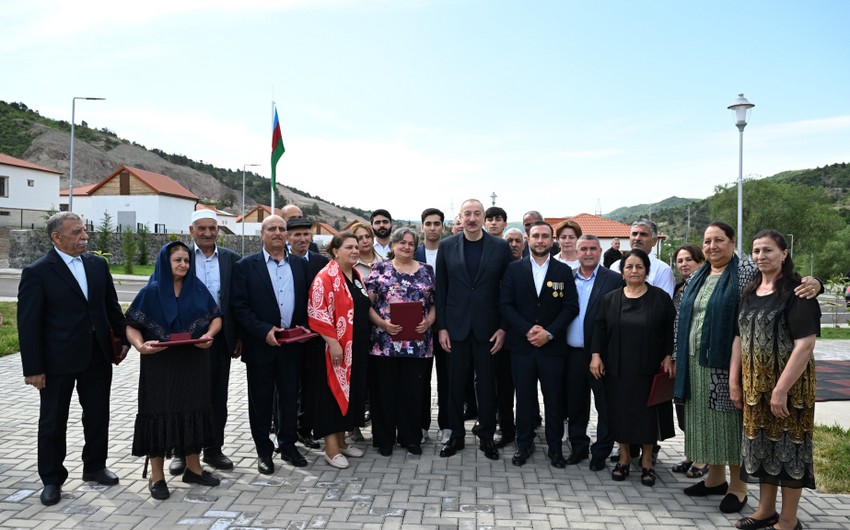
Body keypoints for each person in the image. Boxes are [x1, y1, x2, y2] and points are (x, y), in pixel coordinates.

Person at [673, 222, 823, 514]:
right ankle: (715, 479)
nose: (712, 246)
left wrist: (817, 282)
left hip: (727, 363)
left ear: (732, 243)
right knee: (705, 424)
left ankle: (738, 487)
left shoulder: (746, 272)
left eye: (719, 240)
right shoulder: (698, 275)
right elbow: (682, 317)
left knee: (729, 425)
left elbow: (784, 280)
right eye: (707, 241)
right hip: (697, 363)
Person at [18, 212, 128, 506]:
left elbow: (111, 308)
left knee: (97, 414)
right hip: (56, 361)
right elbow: (28, 324)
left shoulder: (97, 264)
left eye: (85, 230)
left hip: (97, 355)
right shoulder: (38, 272)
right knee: (53, 421)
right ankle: (52, 479)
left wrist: (126, 340)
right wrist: (33, 368)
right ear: (57, 237)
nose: (85, 236)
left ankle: (94, 466)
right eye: (77, 232)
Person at [731, 230, 820, 530]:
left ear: (784, 253)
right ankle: (765, 511)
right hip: (755, 388)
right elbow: (739, 338)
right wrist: (735, 381)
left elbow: (805, 345)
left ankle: (788, 519)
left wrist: (781, 389)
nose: (760, 256)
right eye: (756, 251)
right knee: (760, 450)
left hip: (790, 390)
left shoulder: (799, 293)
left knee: (790, 451)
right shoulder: (750, 290)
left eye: (768, 250)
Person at [126, 241, 223, 500]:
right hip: (159, 364)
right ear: (165, 263)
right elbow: (131, 325)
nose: (183, 265)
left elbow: (216, 316)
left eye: (187, 260)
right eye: (178, 260)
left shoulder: (197, 288)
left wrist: (209, 335)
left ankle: (194, 468)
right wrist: (140, 346)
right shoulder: (150, 292)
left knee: (194, 410)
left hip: (194, 361)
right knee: (158, 413)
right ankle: (157, 476)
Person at [231, 215, 311, 475]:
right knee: (261, 401)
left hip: (292, 345)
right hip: (260, 346)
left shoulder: (300, 265)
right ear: (261, 234)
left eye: (282, 229)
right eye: (272, 229)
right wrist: (263, 330)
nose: (278, 232)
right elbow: (239, 306)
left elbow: (308, 301)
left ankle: (288, 445)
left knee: (289, 398)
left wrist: (305, 327)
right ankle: (264, 451)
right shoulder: (245, 266)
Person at [589, 249, 675, 487]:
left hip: (650, 367)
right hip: (617, 369)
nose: (634, 271)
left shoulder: (660, 298)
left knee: (648, 416)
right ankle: (624, 457)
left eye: (639, 266)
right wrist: (596, 356)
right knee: (620, 413)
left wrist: (669, 356)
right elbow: (599, 329)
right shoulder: (610, 299)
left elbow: (670, 330)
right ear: (622, 271)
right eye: (629, 267)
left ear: (647, 270)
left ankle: (647, 461)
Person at [435, 198, 513, 460]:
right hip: (455, 329)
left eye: (476, 214)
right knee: (455, 385)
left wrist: (503, 328)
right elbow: (441, 290)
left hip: (488, 330)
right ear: (459, 216)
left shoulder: (500, 247)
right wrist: (442, 328)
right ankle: (455, 435)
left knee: (487, 387)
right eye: (466, 213)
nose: (471, 218)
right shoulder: (447, 246)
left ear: (483, 217)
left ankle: (487, 436)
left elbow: (507, 290)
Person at [167, 210, 241, 477]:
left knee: (216, 396)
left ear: (219, 230)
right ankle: (179, 451)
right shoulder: (180, 257)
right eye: (202, 228)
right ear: (191, 230)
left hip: (220, 339)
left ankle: (213, 448)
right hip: (185, 340)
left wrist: (238, 336)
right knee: (183, 395)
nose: (207, 233)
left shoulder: (232, 260)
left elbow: (237, 302)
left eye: (212, 228)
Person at [500, 221, 579, 468]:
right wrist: (526, 329)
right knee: (523, 399)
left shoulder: (563, 271)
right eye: (536, 236)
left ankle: (555, 449)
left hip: (552, 349)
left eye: (545, 236)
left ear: (551, 239)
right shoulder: (514, 270)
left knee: (554, 400)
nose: (540, 240)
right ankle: (523, 445)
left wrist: (550, 333)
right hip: (522, 348)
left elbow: (570, 307)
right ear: (528, 239)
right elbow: (505, 305)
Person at [366, 228, 436, 456]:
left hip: (418, 343)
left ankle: (410, 438)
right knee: (384, 393)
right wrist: (383, 324)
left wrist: (428, 322)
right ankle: (385, 440)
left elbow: (435, 303)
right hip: (384, 343)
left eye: (411, 243)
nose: (407, 247)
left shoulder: (426, 270)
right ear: (393, 245)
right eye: (402, 243)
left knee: (413, 393)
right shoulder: (380, 269)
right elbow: (367, 304)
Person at [307, 231, 372, 469]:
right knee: (330, 397)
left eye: (356, 247)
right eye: (349, 247)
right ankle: (331, 449)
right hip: (333, 349)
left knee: (350, 394)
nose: (355, 250)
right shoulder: (324, 276)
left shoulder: (354, 275)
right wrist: (333, 343)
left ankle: (342, 442)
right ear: (335, 251)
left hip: (356, 348)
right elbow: (317, 312)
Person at [564, 235, 623, 471]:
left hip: (602, 355)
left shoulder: (614, 280)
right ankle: (578, 447)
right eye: (583, 249)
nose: (588, 253)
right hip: (573, 354)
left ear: (601, 252)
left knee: (605, 406)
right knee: (576, 404)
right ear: (576, 252)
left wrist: (601, 353)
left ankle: (601, 451)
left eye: (593, 249)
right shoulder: (566, 278)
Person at [287, 217, 330, 450]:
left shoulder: (321, 262)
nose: (302, 239)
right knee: (286, 385)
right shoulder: (282, 261)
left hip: (314, 335)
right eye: (297, 235)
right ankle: (285, 430)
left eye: (306, 235)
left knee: (311, 384)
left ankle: (305, 429)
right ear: (287, 237)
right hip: (289, 334)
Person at [670, 244, 708, 479]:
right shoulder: (680, 289)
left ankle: (704, 458)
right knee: (684, 407)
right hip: (681, 356)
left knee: (701, 408)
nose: (684, 264)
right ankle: (691, 453)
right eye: (680, 261)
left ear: (701, 262)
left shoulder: (705, 286)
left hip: (699, 356)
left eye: (689, 260)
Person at [414, 208, 447, 444]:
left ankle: (447, 425)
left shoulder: (453, 251)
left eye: (437, 223)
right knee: (420, 380)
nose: (433, 227)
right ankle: (421, 425)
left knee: (448, 378)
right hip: (418, 328)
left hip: (446, 327)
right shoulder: (412, 252)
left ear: (443, 227)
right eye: (429, 223)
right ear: (422, 227)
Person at [610, 219, 675, 297]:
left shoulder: (662, 270)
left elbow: (663, 304)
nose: (637, 238)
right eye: (634, 234)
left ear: (654, 241)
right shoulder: (615, 267)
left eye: (643, 234)